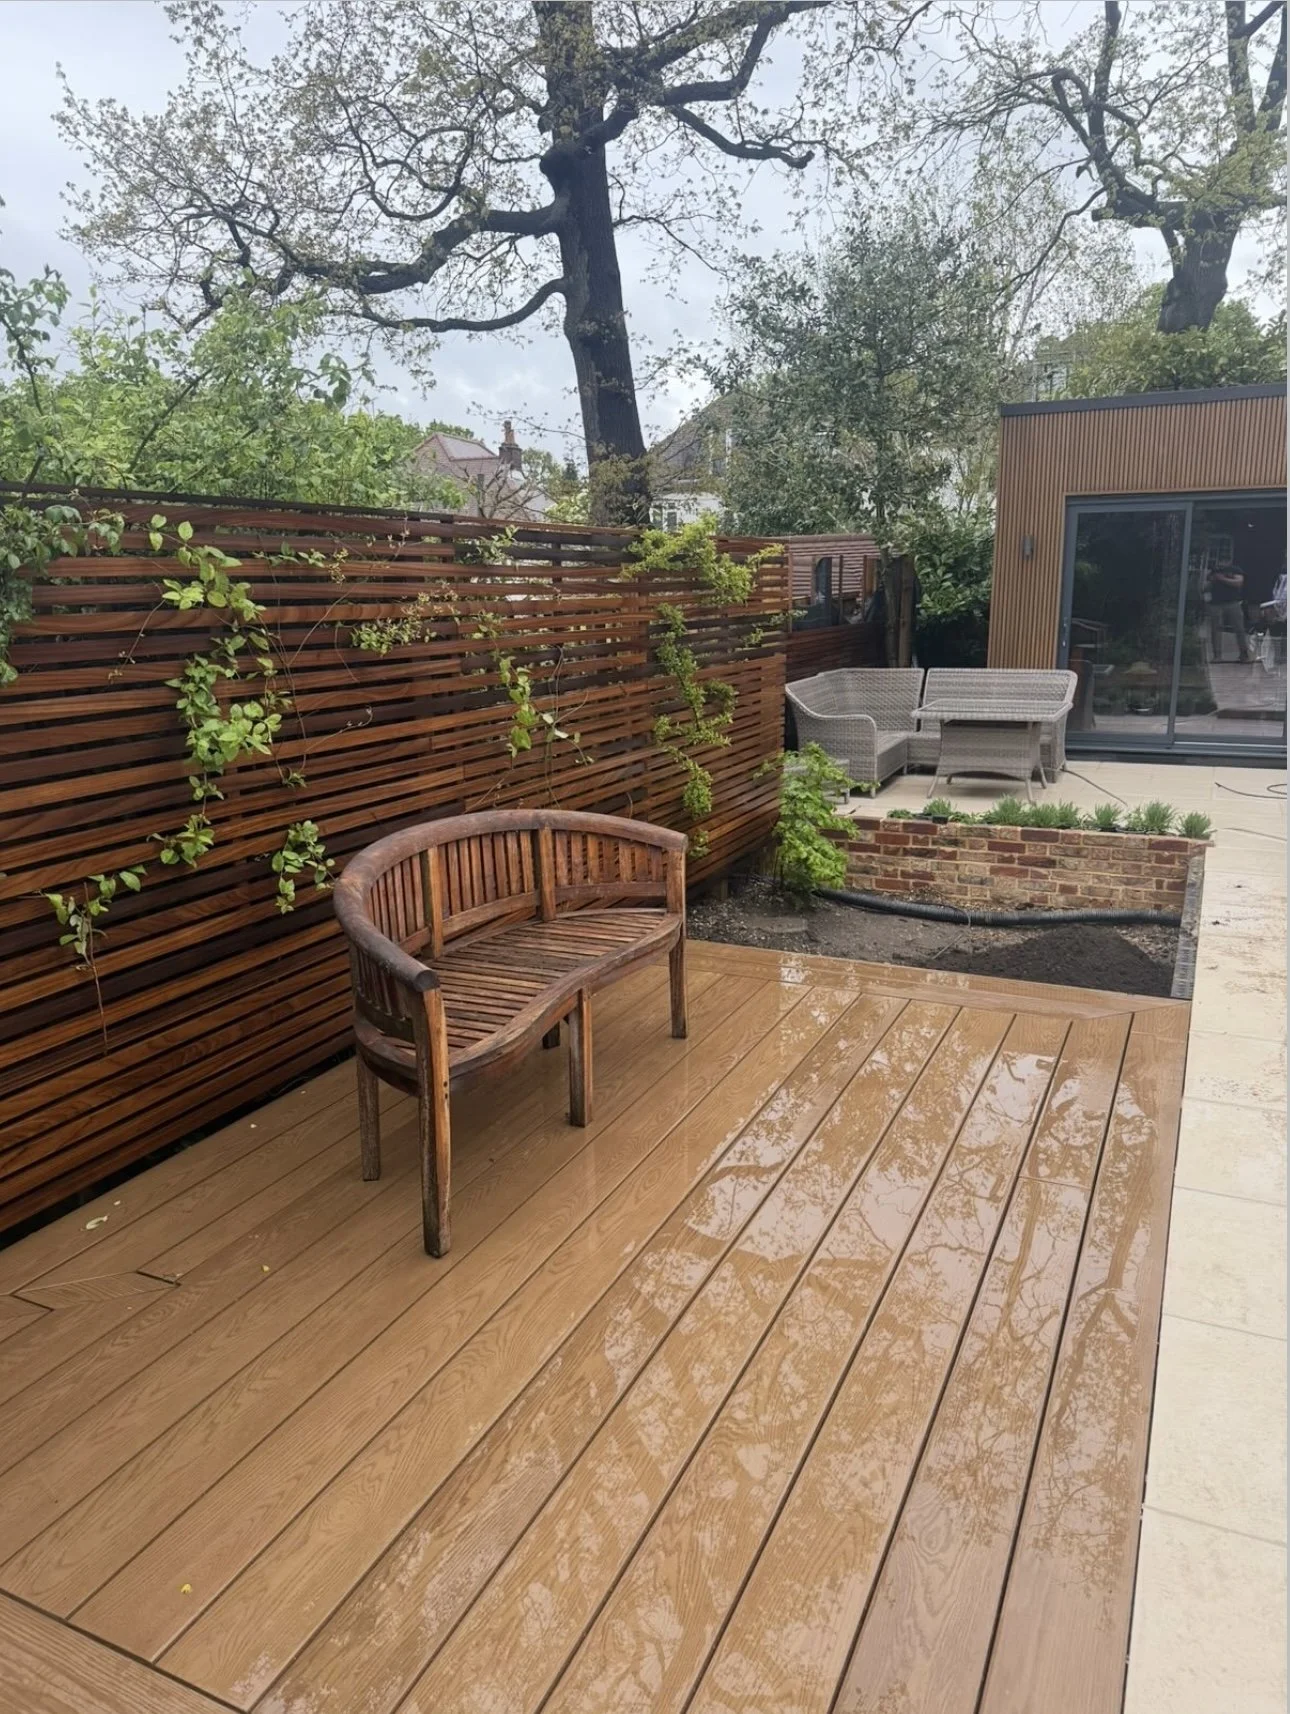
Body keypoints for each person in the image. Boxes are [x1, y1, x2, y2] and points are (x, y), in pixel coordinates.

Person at [1206, 557, 1253, 663]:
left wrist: (1222, 578)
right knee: (1215, 630)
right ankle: (1217, 655)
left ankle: (1244, 654)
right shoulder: (1214, 571)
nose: (1222, 563)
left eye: (1224, 560)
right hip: (1215, 603)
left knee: (1239, 629)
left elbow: (1239, 582)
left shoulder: (1235, 570)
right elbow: (1208, 581)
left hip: (1232, 602)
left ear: (1229, 561)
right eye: (1220, 561)